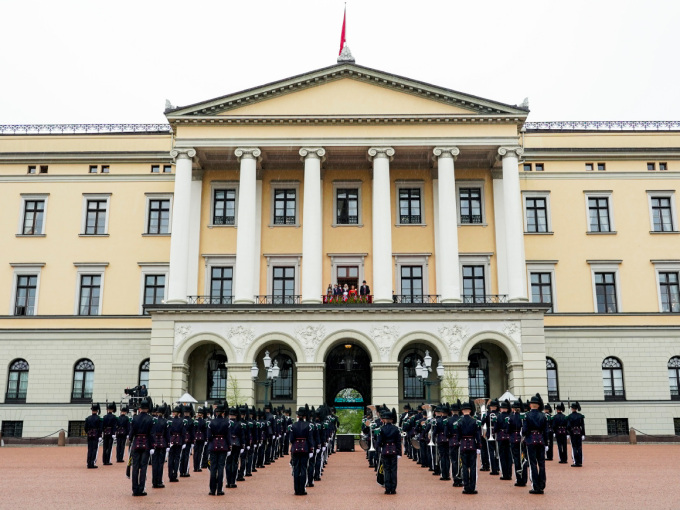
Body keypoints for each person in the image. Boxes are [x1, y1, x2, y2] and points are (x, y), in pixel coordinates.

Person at [523, 393, 548, 494]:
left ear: (530, 405)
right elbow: (546, 431)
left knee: (533, 464)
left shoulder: (527, 415)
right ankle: (542, 485)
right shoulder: (543, 416)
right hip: (541, 440)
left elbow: (524, 430)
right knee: (541, 463)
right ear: (538, 405)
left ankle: (535, 486)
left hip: (530, 440)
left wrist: (524, 434)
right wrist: (546, 443)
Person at [455, 400, 481, 495]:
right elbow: (478, 435)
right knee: (473, 467)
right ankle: (472, 487)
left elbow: (458, 436)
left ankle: (466, 487)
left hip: (463, 444)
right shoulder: (474, 421)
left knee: (465, 467)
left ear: (462, 411)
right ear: (470, 411)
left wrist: (460, 442)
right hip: (472, 445)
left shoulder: (459, 422)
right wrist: (479, 446)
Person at [129, 398, 154, 496]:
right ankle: (141, 488)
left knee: (135, 467)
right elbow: (152, 434)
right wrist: (152, 446)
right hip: (146, 443)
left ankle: (135, 489)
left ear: (140, 409)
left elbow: (132, 432)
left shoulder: (134, 418)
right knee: (143, 467)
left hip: (136, 443)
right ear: (147, 409)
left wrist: (130, 439)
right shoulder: (150, 419)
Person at [207, 403, 231, 496]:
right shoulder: (227, 422)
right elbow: (228, 436)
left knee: (213, 468)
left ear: (216, 413)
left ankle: (212, 490)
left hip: (213, 445)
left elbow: (209, 436)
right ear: (223, 413)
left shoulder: (211, 422)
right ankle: (219, 489)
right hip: (223, 445)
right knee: (221, 467)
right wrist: (229, 447)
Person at [289, 405, 314, 496]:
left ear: (298, 416)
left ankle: (296, 489)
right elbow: (310, 439)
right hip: (305, 448)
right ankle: (302, 489)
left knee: (296, 469)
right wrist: (311, 450)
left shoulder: (293, 425)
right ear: (304, 416)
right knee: (303, 469)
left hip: (295, 448)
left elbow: (291, 439)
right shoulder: (308, 425)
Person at [376, 408, 401, 494]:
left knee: (386, 470)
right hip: (394, 450)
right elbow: (398, 441)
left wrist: (379, 450)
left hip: (385, 450)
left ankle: (387, 488)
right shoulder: (396, 429)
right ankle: (393, 489)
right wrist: (399, 453)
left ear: (385, 420)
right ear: (392, 419)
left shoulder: (381, 429)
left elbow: (379, 442)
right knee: (393, 470)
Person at [509, 399, 528, 487]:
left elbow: (508, 430)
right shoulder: (523, 417)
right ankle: (524, 479)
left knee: (516, 459)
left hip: (513, 438)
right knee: (523, 458)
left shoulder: (511, 417)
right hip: (522, 439)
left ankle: (518, 479)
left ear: (513, 408)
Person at [150, 404, 169, 488]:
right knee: (160, 463)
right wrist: (168, 444)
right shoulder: (165, 421)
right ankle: (159, 481)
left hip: (154, 442)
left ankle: (154, 481)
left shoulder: (154, 421)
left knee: (154, 463)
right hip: (162, 442)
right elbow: (167, 434)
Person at [226, 407, 244, 488]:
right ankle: (233, 481)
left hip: (228, 444)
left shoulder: (226, 423)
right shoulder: (239, 424)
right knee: (235, 463)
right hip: (236, 443)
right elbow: (242, 435)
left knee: (228, 463)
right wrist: (243, 445)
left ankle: (228, 481)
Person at [495, 399, 512, 480]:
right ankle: (509, 473)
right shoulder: (510, 416)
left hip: (501, 436)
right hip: (509, 436)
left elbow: (495, 428)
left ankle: (504, 474)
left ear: (501, 409)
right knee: (508, 455)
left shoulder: (498, 417)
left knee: (502, 456)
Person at [167, 406, 184, 482]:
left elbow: (168, 432)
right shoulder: (181, 421)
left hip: (171, 440)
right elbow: (183, 432)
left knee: (171, 458)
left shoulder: (170, 420)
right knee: (177, 458)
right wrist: (183, 442)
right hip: (179, 440)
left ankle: (170, 475)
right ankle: (175, 475)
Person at [566, 401, 585, 467]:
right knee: (579, 447)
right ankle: (580, 461)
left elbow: (568, 426)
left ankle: (576, 462)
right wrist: (583, 434)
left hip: (573, 433)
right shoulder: (580, 416)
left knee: (574, 447)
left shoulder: (570, 416)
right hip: (579, 432)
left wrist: (568, 433)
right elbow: (582, 426)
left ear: (572, 408)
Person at [84, 403, 102, 469]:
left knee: (89, 449)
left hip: (89, 434)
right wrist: (100, 435)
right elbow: (100, 428)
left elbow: (85, 428)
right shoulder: (98, 418)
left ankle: (88, 463)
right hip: (95, 434)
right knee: (94, 449)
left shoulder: (88, 418)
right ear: (97, 411)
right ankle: (92, 463)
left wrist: (88, 432)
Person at [179, 405, 194, 477]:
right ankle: (185, 471)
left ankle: (181, 471)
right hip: (188, 439)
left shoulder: (181, 419)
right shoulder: (191, 420)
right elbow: (192, 432)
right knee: (186, 456)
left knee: (182, 455)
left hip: (181, 439)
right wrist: (192, 442)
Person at [193, 407, 208, 472]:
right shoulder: (204, 421)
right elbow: (205, 431)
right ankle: (198, 466)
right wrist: (206, 439)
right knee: (200, 453)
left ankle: (195, 467)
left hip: (196, 437)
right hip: (202, 438)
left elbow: (193, 430)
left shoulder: (195, 421)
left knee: (195, 453)